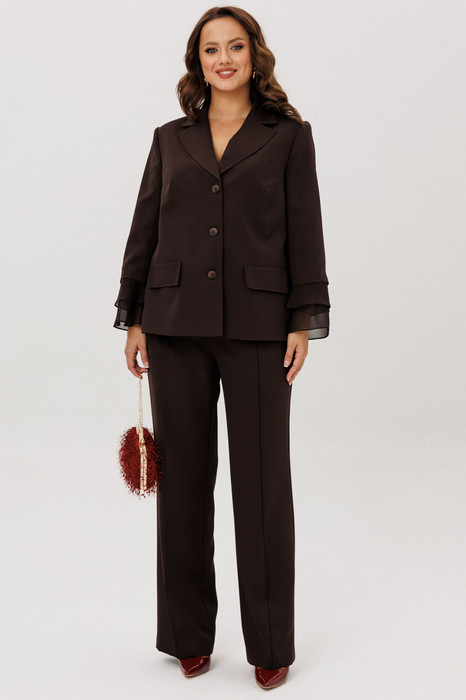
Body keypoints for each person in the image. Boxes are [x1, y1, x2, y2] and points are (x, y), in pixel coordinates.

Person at [113, 6, 330, 691]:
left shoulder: (288, 136)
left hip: (261, 326)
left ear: (254, 55)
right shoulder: (169, 139)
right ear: (198, 62)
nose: (225, 59)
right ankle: (187, 637)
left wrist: (302, 319)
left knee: (262, 487)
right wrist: (134, 315)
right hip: (173, 323)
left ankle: (270, 644)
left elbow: (305, 227)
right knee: (182, 487)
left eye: (236, 46)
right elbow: (145, 226)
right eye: (212, 49)